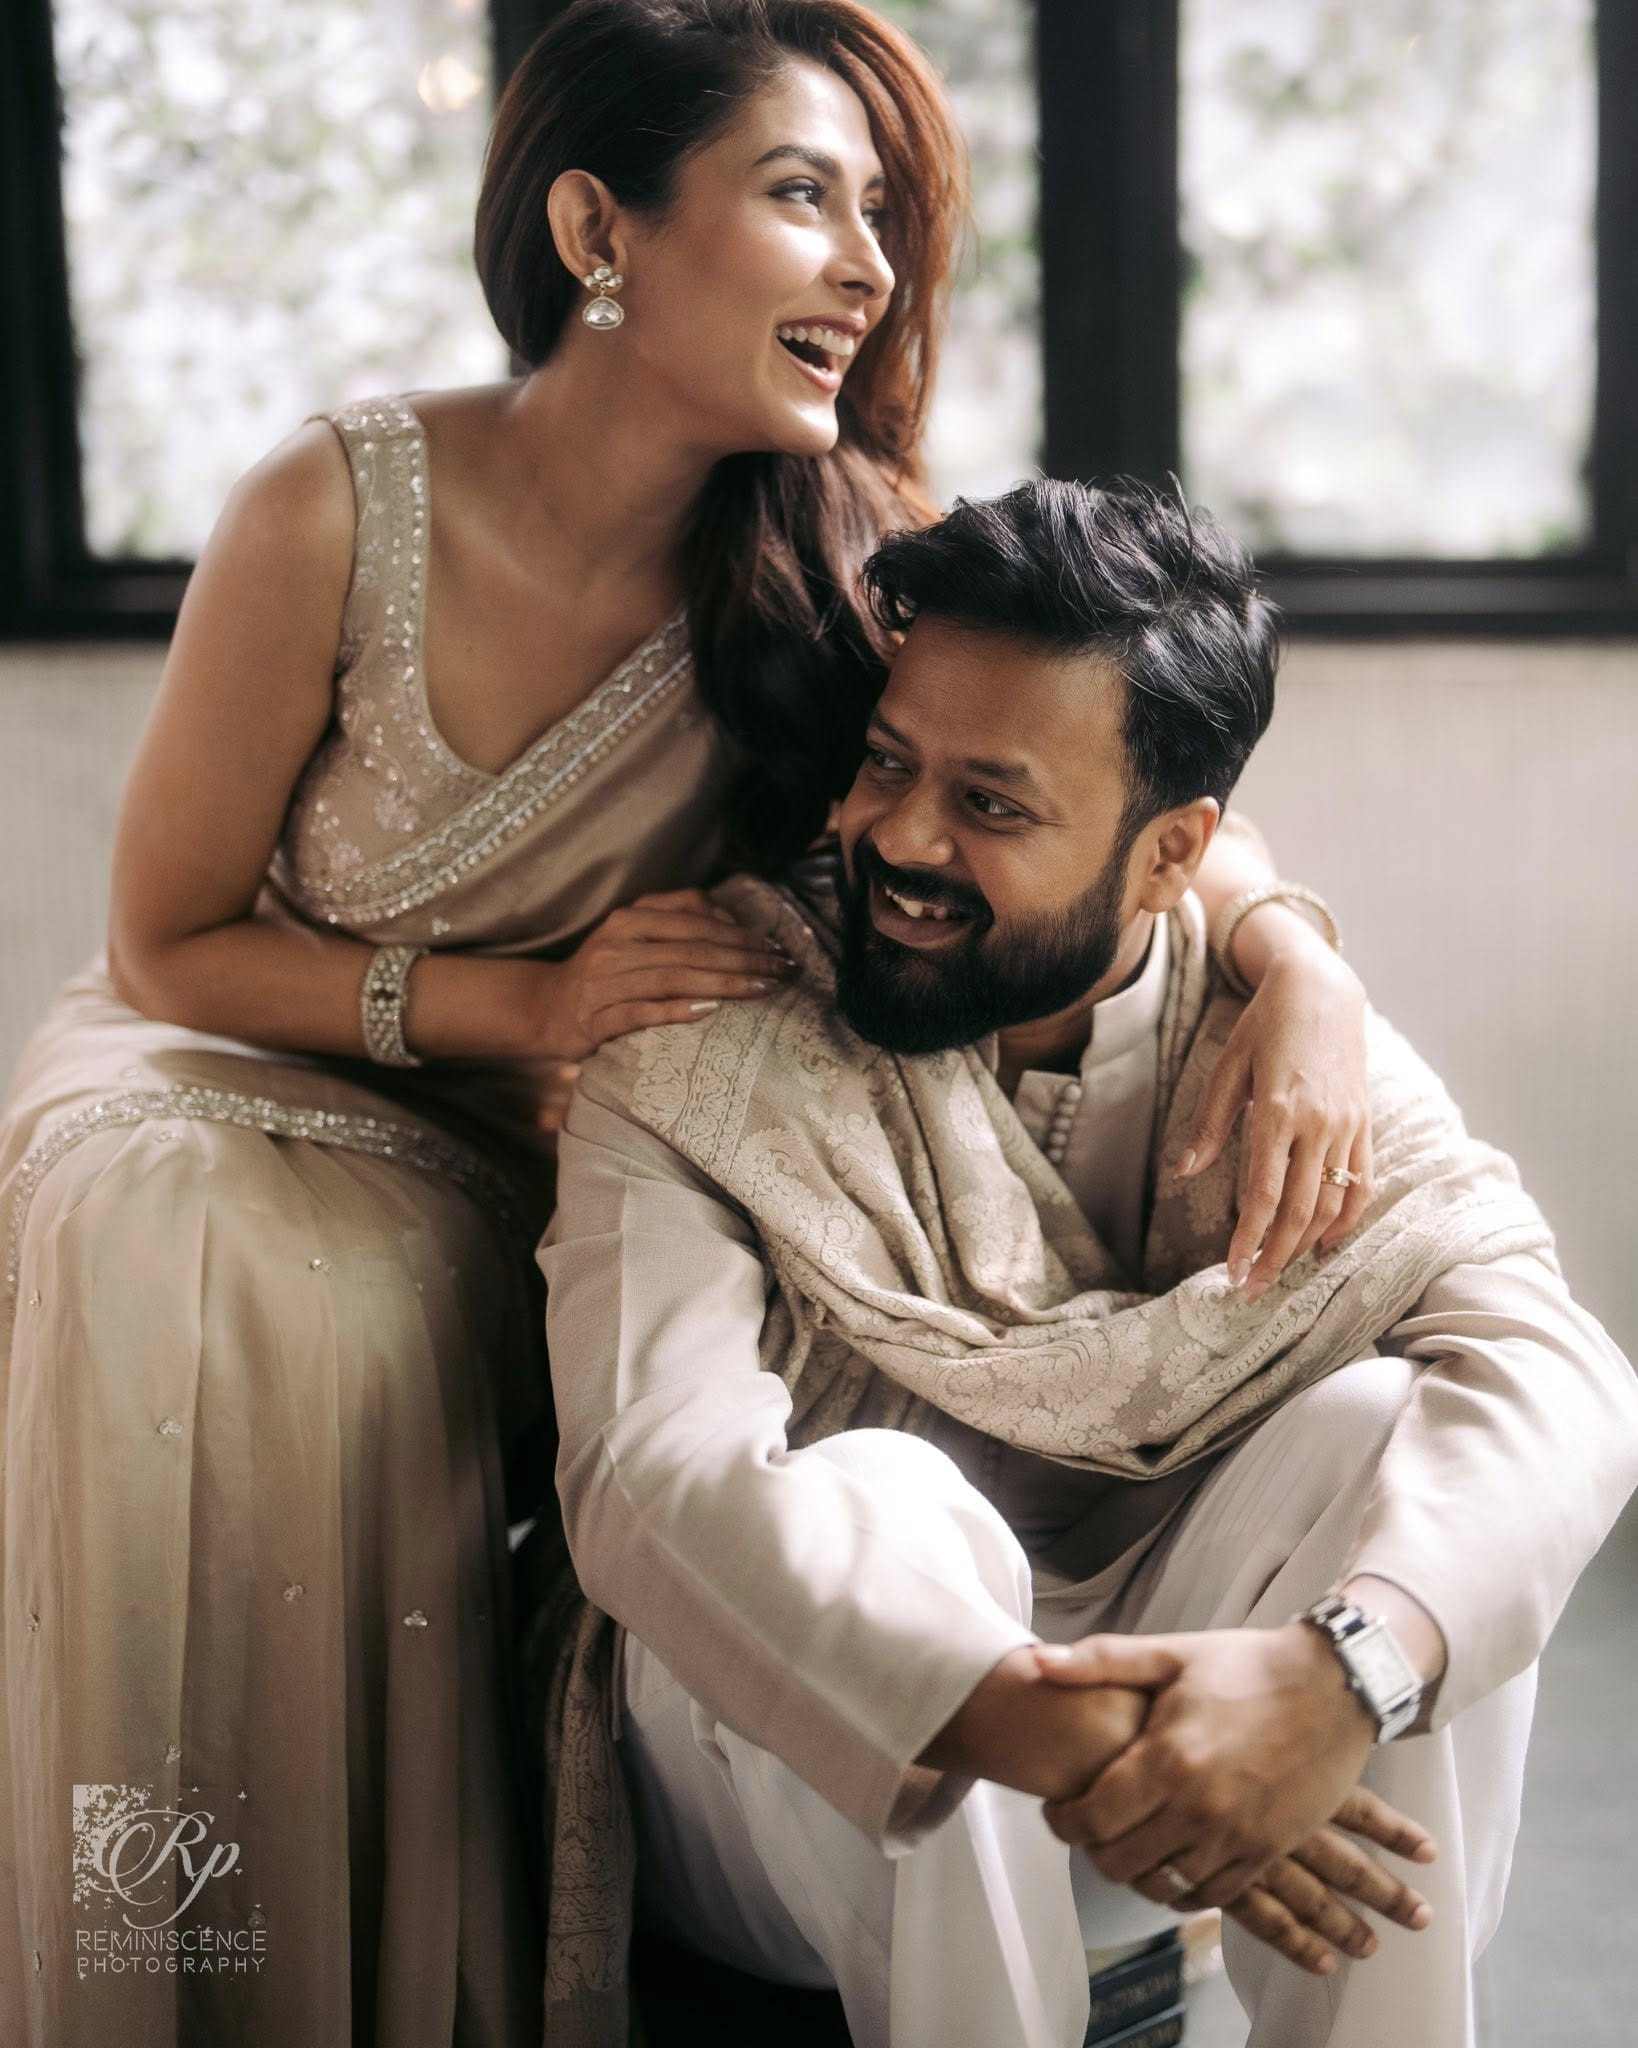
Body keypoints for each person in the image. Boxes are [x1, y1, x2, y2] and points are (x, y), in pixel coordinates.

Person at [0, 6, 1381, 2043]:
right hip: (240, 1055)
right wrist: (527, 997)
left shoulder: (838, 549)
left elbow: (1108, 774)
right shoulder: (336, 504)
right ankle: (185, 1985)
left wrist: (1299, 965)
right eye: (806, 197)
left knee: (361, 1296)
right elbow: (164, 939)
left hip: (552, 1145)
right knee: (187, 1239)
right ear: (598, 230)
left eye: (884, 215)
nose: (871, 268)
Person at [540, 476, 1638, 2048]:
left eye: (991, 807)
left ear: (1170, 855)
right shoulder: (704, 1025)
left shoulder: (1280, 1043)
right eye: (886, 763)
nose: (899, 838)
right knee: (890, 1503)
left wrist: (1335, 1684)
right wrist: (1016, 1711)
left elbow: (1560, 1372)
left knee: (1391, 1435)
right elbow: (652, 1475)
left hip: (1201, 1758)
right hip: (786, 1763)